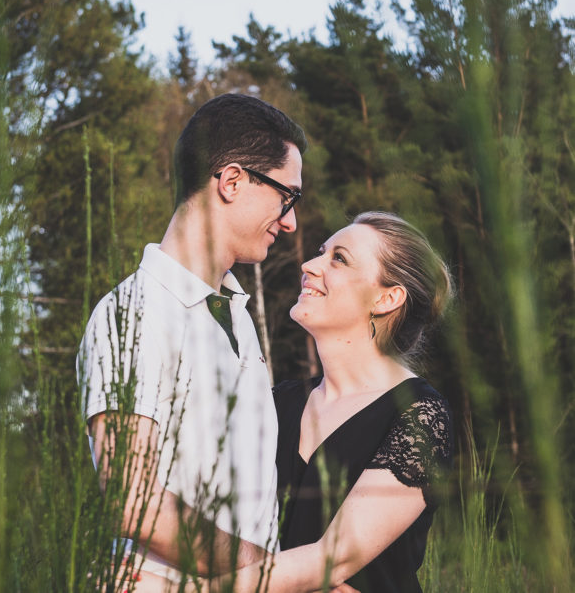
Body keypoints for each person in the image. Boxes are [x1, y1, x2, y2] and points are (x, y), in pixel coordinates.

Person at [77, 93, 307, 587]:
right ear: (231, 181)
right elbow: (132, 500)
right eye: (287, 196)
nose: (290, 221)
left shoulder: (237, 316)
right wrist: (277, 575)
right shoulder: (132, 313)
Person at [207, 211, 453, 593]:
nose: (309, 264)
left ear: (387, 298)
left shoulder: (419, 416)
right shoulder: (277, 402)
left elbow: (331, 558)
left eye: (339, 258)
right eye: (322, 252)